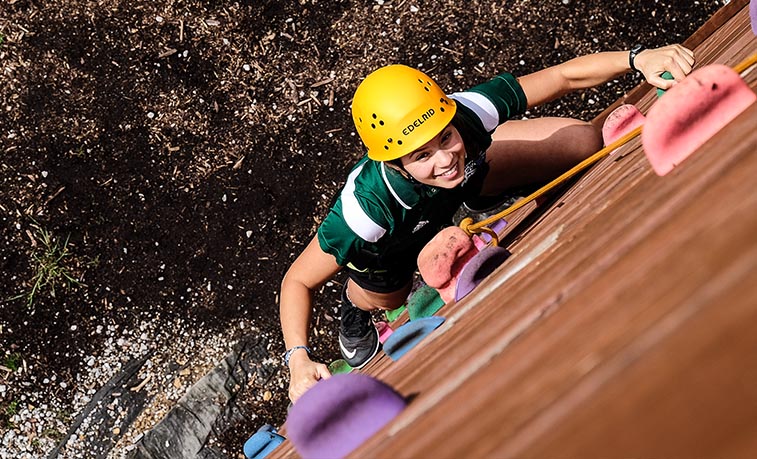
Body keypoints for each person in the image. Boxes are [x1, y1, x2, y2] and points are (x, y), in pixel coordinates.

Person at [280, 44, 695, 402]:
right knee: (391, 297)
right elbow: (297, 281)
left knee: (581, 141)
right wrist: (298, 358)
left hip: (465, 183)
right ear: (392, 161)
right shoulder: (365, 212)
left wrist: (638, 58)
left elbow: (562, 76)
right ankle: (355, 306)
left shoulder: (465, 114)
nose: (443, 157)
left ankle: (484, 194)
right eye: (421, 154)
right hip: (394, 242)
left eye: (444, 136)